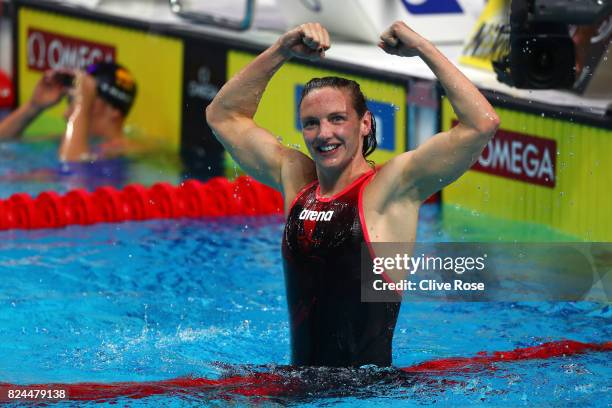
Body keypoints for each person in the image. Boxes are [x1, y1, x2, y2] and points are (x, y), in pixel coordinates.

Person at [206, 22, 500, 367]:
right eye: (311, 123)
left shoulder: (391, 189)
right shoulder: (297, 180)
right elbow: (223, 116)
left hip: (365, 392)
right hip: (301, 384)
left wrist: (423, 47)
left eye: (337, 119)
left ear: (365, 124)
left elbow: (482, 123)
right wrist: (281, 50)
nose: (323, 133)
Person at [0, 62, 138, 162]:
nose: (66, 115)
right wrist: (34, 106)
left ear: (113, 111)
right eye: (70, 101)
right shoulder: (62, 141)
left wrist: (80, 106)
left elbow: (70, 167)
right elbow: (4, 144)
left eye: (81, 101)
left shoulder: (124, 151)